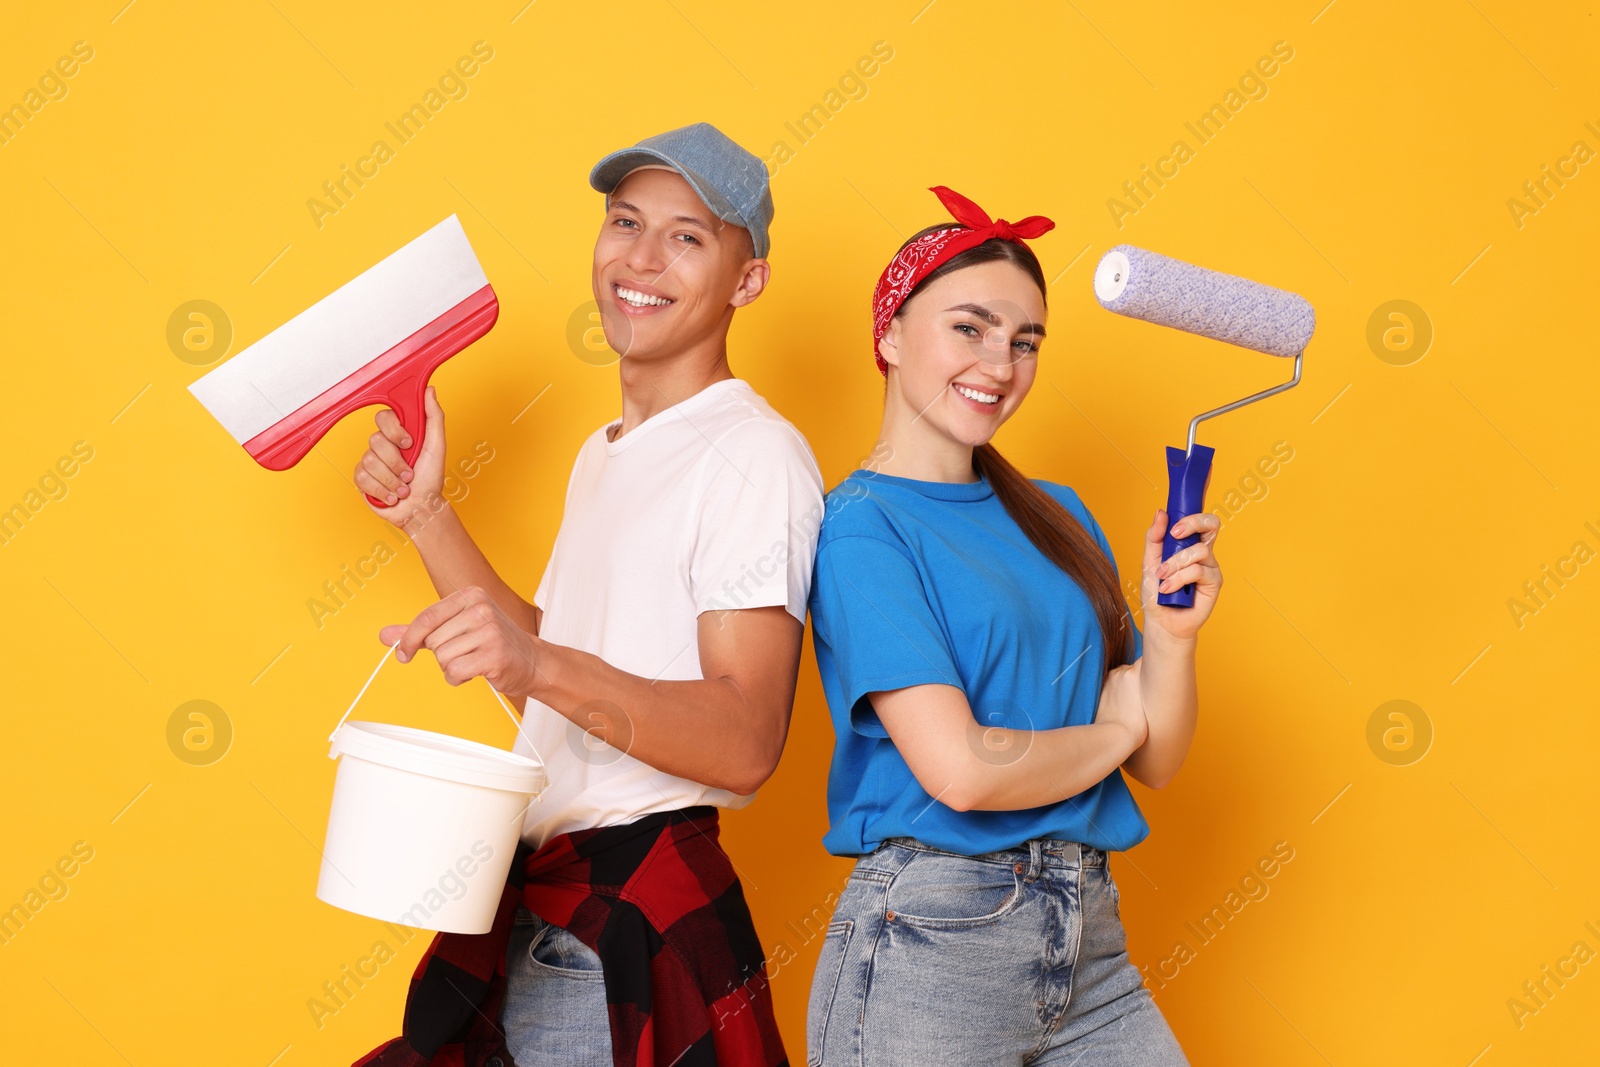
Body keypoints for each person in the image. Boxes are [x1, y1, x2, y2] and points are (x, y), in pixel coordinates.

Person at [353, 123, 821, 1067]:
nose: (640, 258)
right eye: (625, 222)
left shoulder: (754, 455)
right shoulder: (602, 455)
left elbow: (744, 742)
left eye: (687, 236)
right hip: (544, 908)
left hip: (622, 930)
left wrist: (536, 658)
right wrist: (428, 515)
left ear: (748, 279)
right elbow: (557, 688)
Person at [803, 185, 1222, 1065]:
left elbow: (1162, 756)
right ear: (888, 333)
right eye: (971, 326)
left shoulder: (1055, 514)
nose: (1001, 361)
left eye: (1025, 340)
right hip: (930, 945)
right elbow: (963, 768)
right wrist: (1113, 726)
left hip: (1090, 943)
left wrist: (1171, 637)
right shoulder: (860, 526)